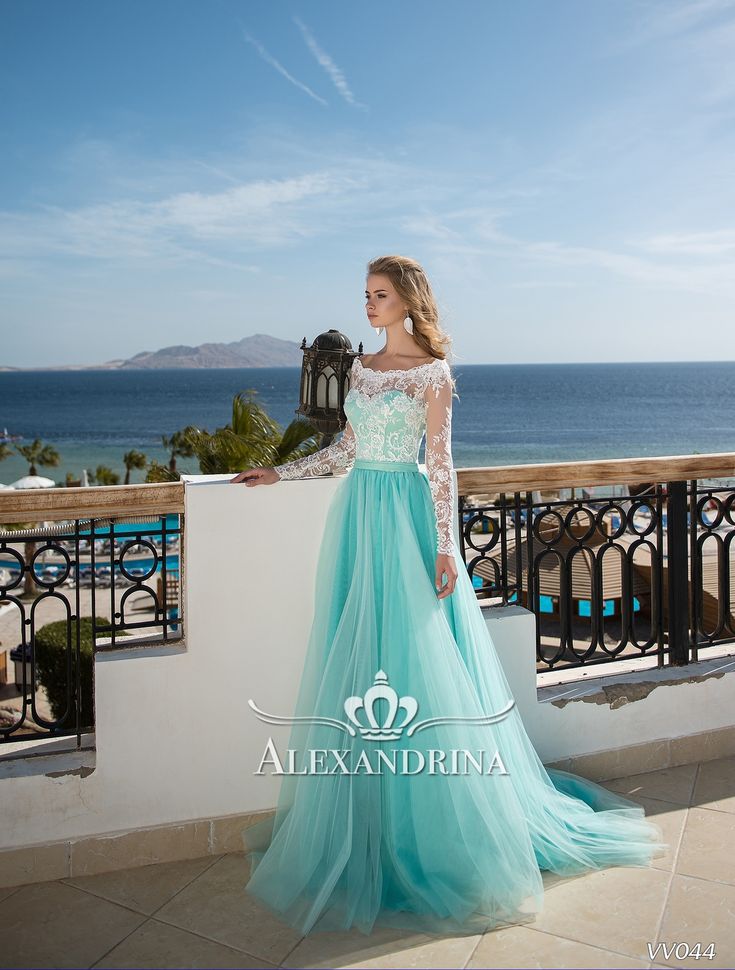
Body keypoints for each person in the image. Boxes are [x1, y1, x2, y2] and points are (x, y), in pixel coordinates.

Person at [229, 254, 668, 938]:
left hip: (403, 518)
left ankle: (431, 830)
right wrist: (281, 474)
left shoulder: (433, 377)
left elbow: (438, 464)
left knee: (416, 659)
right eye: (365, 295)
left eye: (379, 295)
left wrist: (442, 547)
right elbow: (346, 449)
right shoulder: (356, 368)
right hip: (357, 517)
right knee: (358, 655)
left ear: (407, 301)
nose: (367, 306)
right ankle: (369, 815)